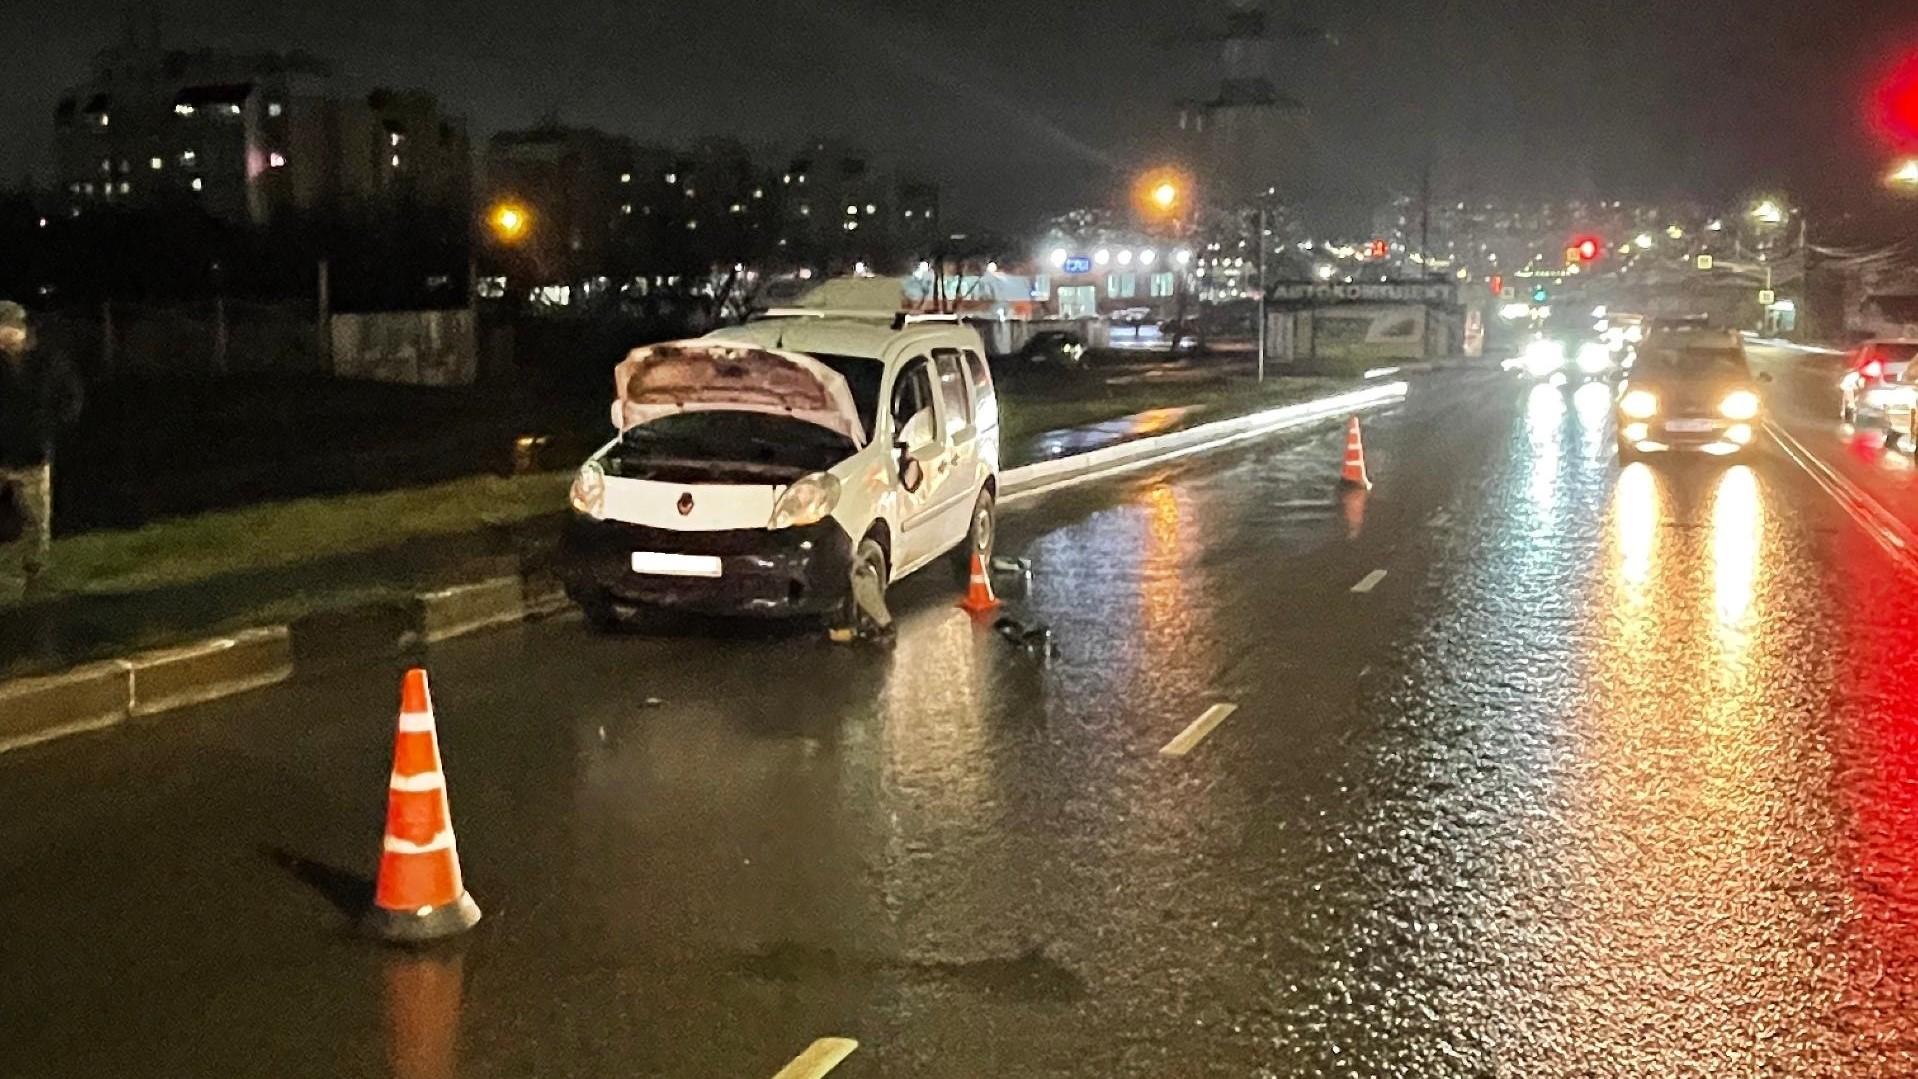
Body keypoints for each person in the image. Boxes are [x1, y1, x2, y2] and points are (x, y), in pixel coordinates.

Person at [0, 301, 83, 598]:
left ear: (21, 328)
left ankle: (35, 578)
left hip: (34, 453)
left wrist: (51, 426)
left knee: (37, 521)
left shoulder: (48, 360)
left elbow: (70, 395)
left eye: (8, 326)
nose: (4, 333)